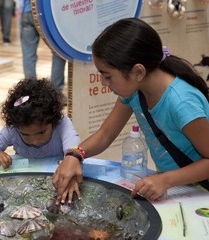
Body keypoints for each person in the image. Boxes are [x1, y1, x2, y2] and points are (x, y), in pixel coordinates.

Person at [52, 17, 209, 203]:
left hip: (198, 190)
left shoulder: (181, 103)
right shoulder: (136, 91)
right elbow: (105, 134)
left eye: (108, 76)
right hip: (175, 186)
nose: (103, 83)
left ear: (138, 72)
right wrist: (75, 154)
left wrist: (165, 180)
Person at [0, 78, 80, 170]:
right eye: (25, 134)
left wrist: (71, 158)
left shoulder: (61, 124)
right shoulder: (13, 129)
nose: (34, 141)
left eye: (41, 133)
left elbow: (74, 147)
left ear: (53, 121)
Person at [19, 0, 67, 99]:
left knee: (28, 54)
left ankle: (30, 93)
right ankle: (56, 94)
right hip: (47, 12)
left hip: (27, 11)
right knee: (58, 51)